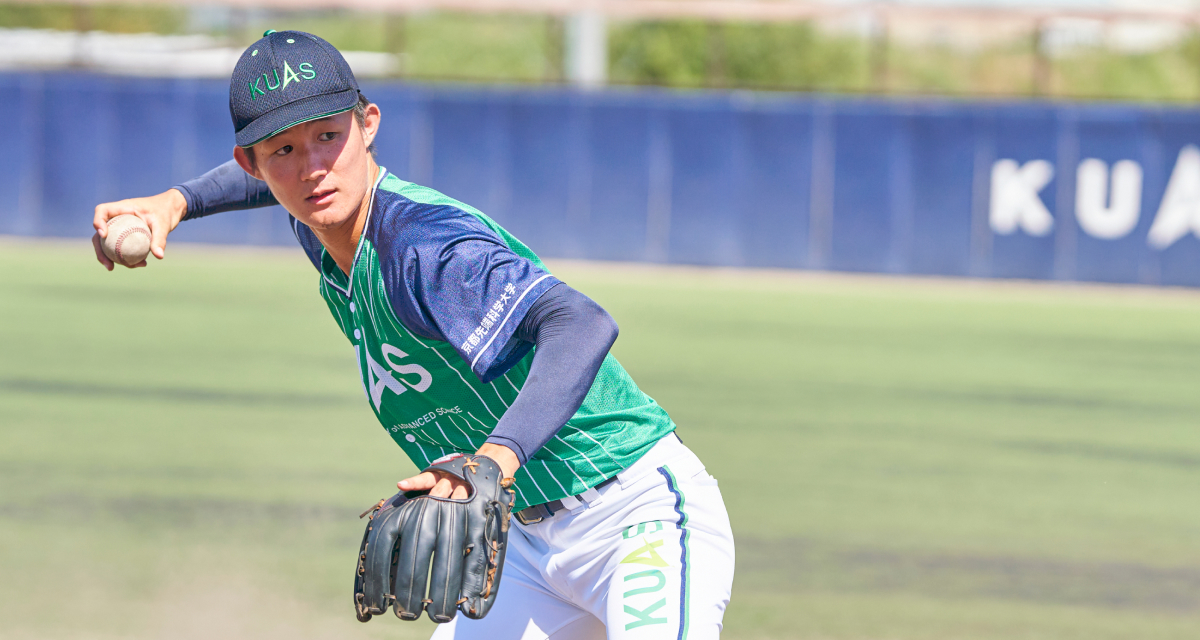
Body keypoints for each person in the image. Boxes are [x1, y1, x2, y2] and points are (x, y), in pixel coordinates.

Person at [91, 30, 734, 640]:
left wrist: (496, 460)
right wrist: (175, 202)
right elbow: (293, 165)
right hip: (525, 546)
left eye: (329, 136)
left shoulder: (427, 248)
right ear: (254, 166)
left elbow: (582, 323)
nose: (313, 167)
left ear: (368, 125)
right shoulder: (323, 222)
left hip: (633, 514)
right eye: (284, 150)